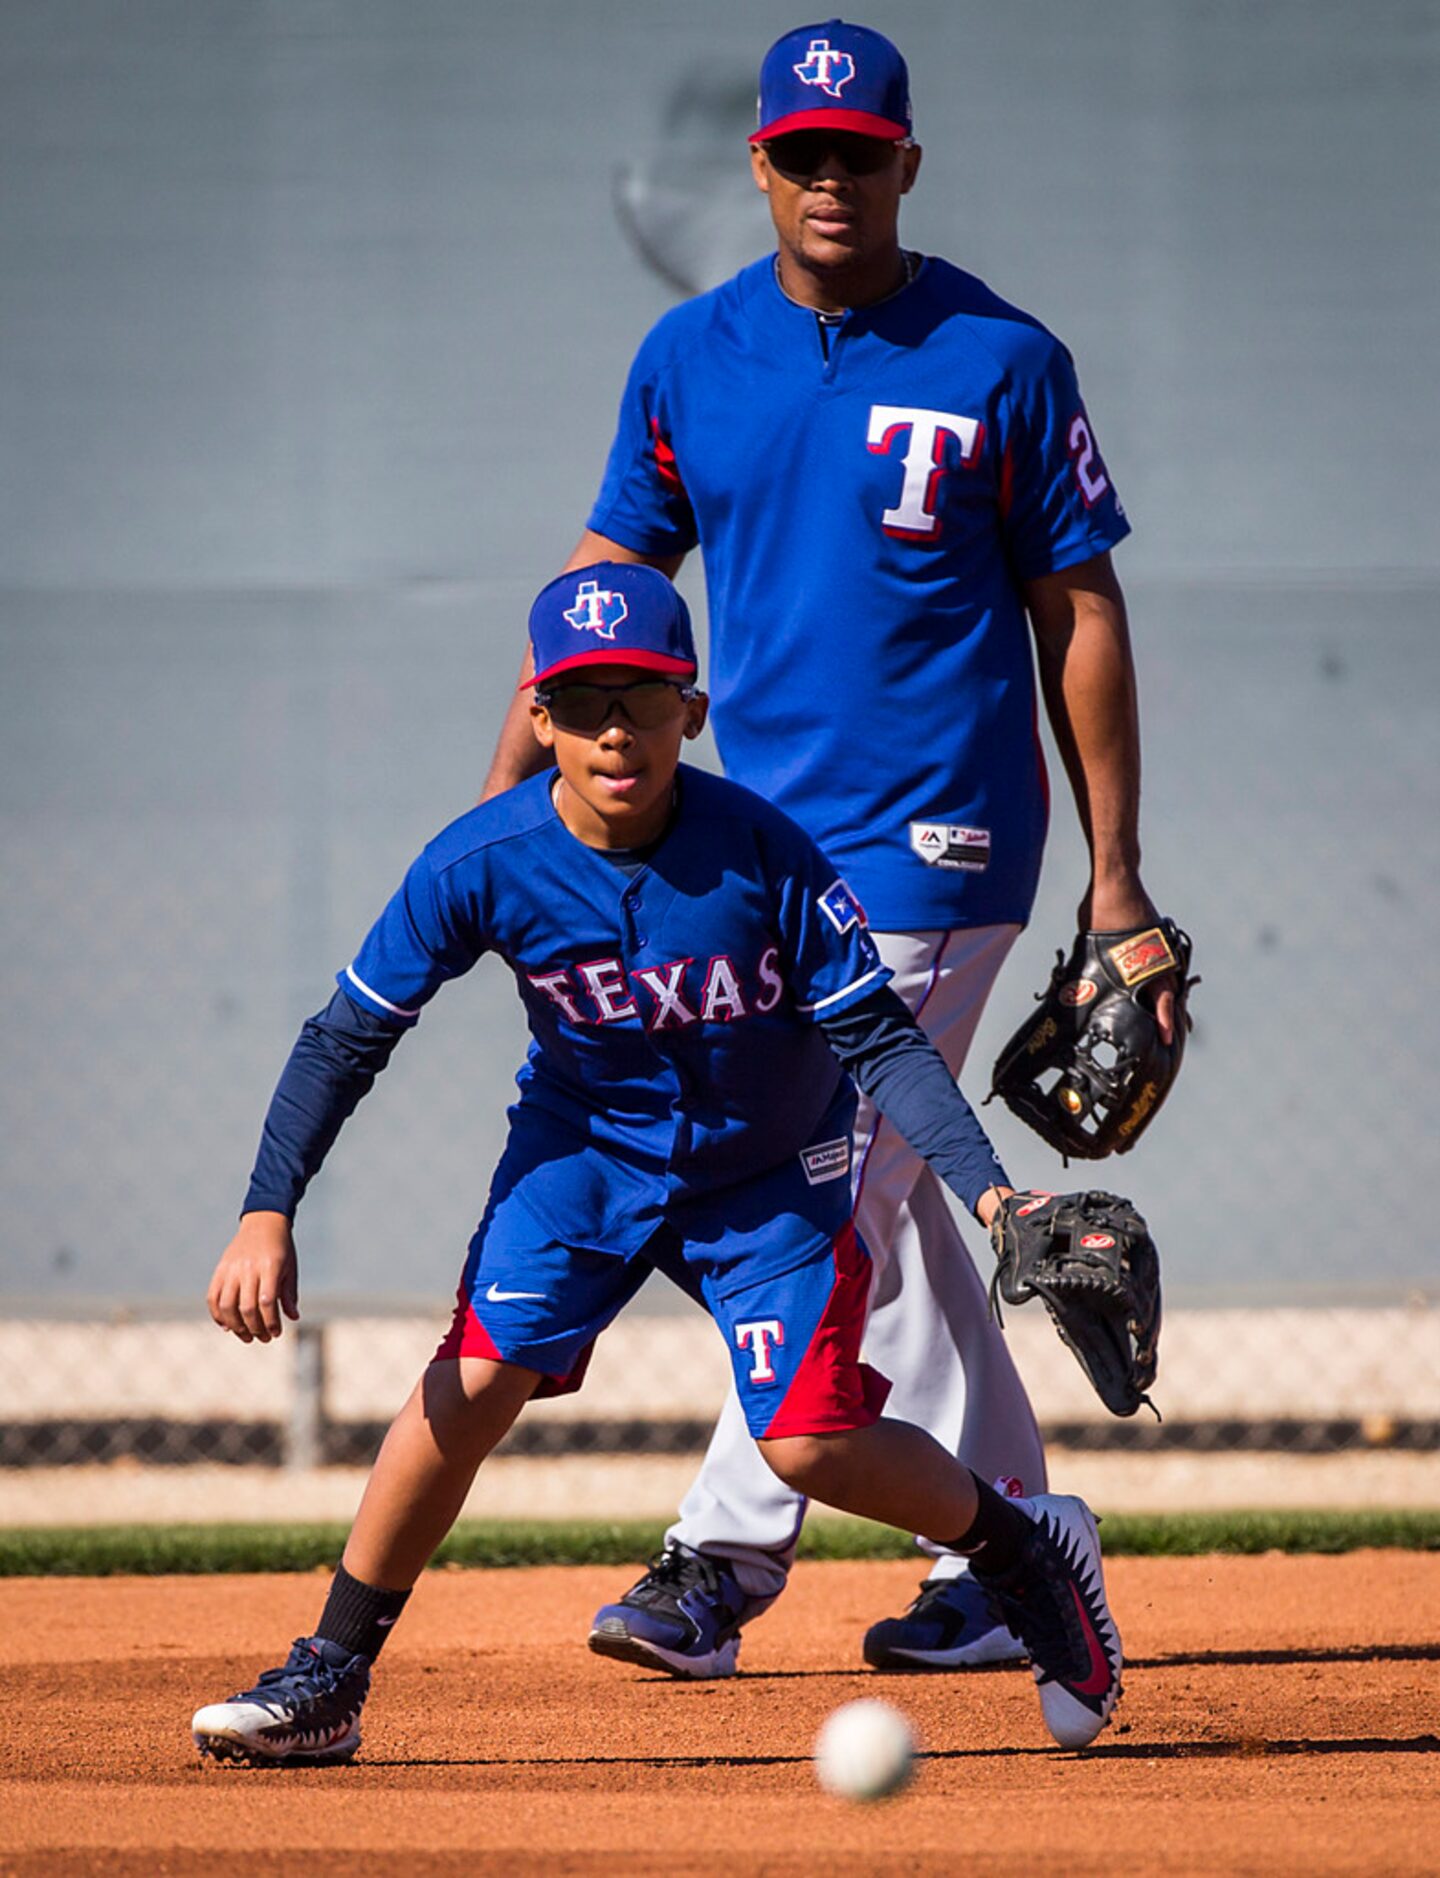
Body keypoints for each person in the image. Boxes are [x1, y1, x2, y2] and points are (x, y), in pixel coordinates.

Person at [479, 20, 1174, 1678]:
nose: (832, 176)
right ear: (763, 168)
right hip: (764, 856)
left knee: (832, 1172)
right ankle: (1017, 1547)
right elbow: (598, 600)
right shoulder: (689, 358)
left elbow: (1078, 606)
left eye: (862, 150)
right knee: (906, 1205)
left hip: (940, 838)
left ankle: (719, 1555)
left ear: (907, 163)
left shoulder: (1001, 356)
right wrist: (510, 809)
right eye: (804, 151)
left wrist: (1118, 874)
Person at [191, 563, 1122, 1766]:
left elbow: (882, 1039)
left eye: (641, 696)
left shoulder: (766, 852)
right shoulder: (483, 859)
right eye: (581, 704)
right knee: (472, 1382)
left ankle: (1019, 1546)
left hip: (772, 1169)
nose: (613, 730)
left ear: (693, 708)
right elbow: (346, 1036)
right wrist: (267, 1210)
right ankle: (327, 1674)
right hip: (586, 1151)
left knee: (806, 1443)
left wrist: (994, 1192)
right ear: (539, 717)